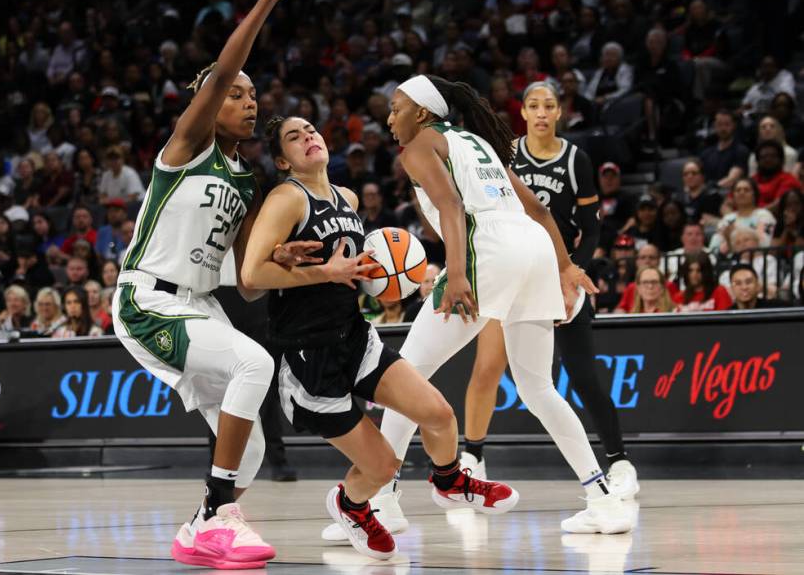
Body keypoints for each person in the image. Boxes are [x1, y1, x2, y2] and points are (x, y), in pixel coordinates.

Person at [350, 74, 632, 537]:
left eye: (397, 106)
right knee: (539, 387)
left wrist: (456, 273)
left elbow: (451, 207)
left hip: (488, 252)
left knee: (405, 376)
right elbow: (539, 213)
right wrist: (564, 268)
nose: (389, 116)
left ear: (421, 112)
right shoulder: (474, 142)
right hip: (533, 248)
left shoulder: (421, 144)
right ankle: (602, 499)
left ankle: (381, 501)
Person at [243, 115, 518, 562]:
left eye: (311, 129)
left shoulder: (346, 196)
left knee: (440, 415)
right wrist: (324, 272)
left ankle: (450, 481)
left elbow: (358, 267)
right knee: (384, 467)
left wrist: (390, 275)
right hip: (310, 357)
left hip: (355, 338)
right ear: (282, 160)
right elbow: (252, 275)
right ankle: (349, 505)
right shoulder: (286, 199)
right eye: (294, 137)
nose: (309, 137)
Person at [110, 0, 301, 570]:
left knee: (242, 450)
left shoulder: (247, 181)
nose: (249, 102)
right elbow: (221, 70)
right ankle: (220, 515)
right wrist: (269, 1)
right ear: (212, 103)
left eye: (253, 97)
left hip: (199, 306)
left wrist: (296, 263)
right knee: (255, 365)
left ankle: (199, 528)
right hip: (147, 299)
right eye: (238, 95)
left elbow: (247, 282)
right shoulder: (185, 147)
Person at [463, 82, 638, 500]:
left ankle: (619, 462)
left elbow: (592, 227)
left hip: (559, 275)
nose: (542, 112)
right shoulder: (504, 154)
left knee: (582, 376)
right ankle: (473, 457)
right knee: (488, 366)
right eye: (534, 105)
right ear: (522, 112)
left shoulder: (576, 158)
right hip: (512, 271)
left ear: (560, 112)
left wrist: (573, 271)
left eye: (550, 106)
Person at [710, 178, 777, 253]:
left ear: (754, 194)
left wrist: (730, 240)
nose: (741, 193)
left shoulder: (764, 215)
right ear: (733, 195)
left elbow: (764, 244)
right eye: (738, 190)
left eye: (746, 190)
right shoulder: (728, 219)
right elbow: (714, 247)